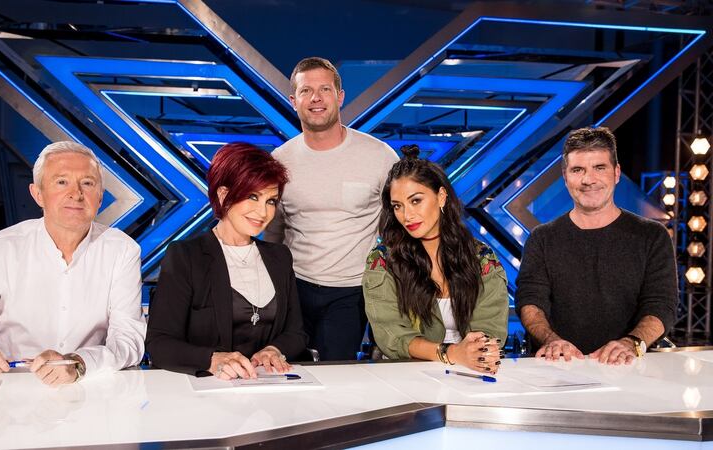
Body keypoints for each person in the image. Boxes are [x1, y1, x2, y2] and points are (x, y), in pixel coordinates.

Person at [0, 141, 146, 385]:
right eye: (62, 182)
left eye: (87, 183)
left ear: (100, 197)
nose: (76, 193)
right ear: (38, 194)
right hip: (10, 391)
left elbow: (129, 341)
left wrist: (80, 363)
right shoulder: (0, 249)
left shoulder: (122, 250)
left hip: (89, 388)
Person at [264, 56, 398, 361]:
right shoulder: (279, 160)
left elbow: (398, 229)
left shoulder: (379, 156)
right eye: (306, 91)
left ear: (339, 97)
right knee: (288, 374)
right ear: (293, 101)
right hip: (292, 286)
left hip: (351, 290)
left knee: (337, 374)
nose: (315, 98)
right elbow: (272, 230)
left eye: (324, 89)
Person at [515, 127, 678, 365]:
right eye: (578, 169)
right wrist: (551, 339)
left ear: (616, 173)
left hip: (629, 370)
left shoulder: (652, 235)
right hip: (557, 369)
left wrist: (631, 342)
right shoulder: (542, 238)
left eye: (599, 168)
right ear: (565, 176)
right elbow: (530, 301)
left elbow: (662, 305)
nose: (588, 180)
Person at [146, 143, 306, 379]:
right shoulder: (186, 256)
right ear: (223, 195)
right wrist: (212, 359)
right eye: (253, 197)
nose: (263, 213)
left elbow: (296, 332)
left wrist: (274, 349)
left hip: (268, 392)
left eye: (271, 201)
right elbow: (159, 344)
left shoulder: (279, 257)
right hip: (207, 395)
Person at [363, 145, 508, 373]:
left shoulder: (481, 258)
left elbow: (491, 327)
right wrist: (451, 354)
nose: (407, 215)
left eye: (416, 201)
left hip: (473, 371)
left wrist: (477, 352)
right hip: (409, 374)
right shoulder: (383, 260)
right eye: (397, 206)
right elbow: (391, 334)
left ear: (441, 197)